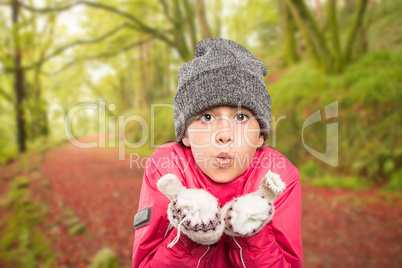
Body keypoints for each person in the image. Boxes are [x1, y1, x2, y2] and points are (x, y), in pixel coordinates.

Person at [131, 37, 303, 268]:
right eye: (206, 117)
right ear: (185, 135)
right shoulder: (166, 168)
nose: (224, 135)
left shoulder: (278, 177)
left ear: (261, 135)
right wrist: (189, 239)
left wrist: (252, 235)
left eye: (241, 117)